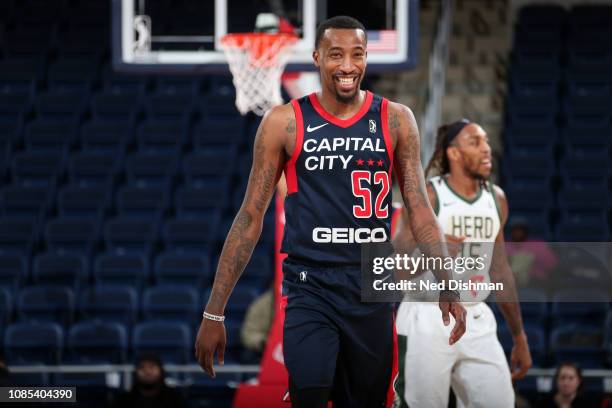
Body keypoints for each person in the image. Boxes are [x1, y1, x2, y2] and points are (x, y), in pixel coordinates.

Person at [195, 15, 466, 408]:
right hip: (311, 286)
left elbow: (419, 208)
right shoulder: (283, 122)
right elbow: (249, 218)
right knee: (310, 393)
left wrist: (446, 281)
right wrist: (214, 312)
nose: (347, 65)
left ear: (367, 58)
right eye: (336, 54)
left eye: (357, 55)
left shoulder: (395, 119)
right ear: (317, 57)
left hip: (372, 288)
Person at [393, 120, 532, 408]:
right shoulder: (429, 196)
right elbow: (395, 267)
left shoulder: (497, 199)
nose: (486, 149)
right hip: (427, 315)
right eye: (475, 142)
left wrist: (519, 336)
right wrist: (434, 249)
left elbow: (501, 271)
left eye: (487, 142)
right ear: (453, 153)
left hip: (476, 316)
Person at [111, 354, 187, 408]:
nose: (147, 371)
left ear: (161, 371)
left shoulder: (175, 399)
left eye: (152, 367)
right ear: (135, 373)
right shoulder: (124, 400)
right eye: (142, 368)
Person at [506, 217, 557, 287]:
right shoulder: (505, 246)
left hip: (535, 281)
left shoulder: (537, 244)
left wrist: (533, 258)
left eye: (520, 229)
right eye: (515, 229)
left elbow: (552, 264)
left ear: (526, 231)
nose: (517, 232)